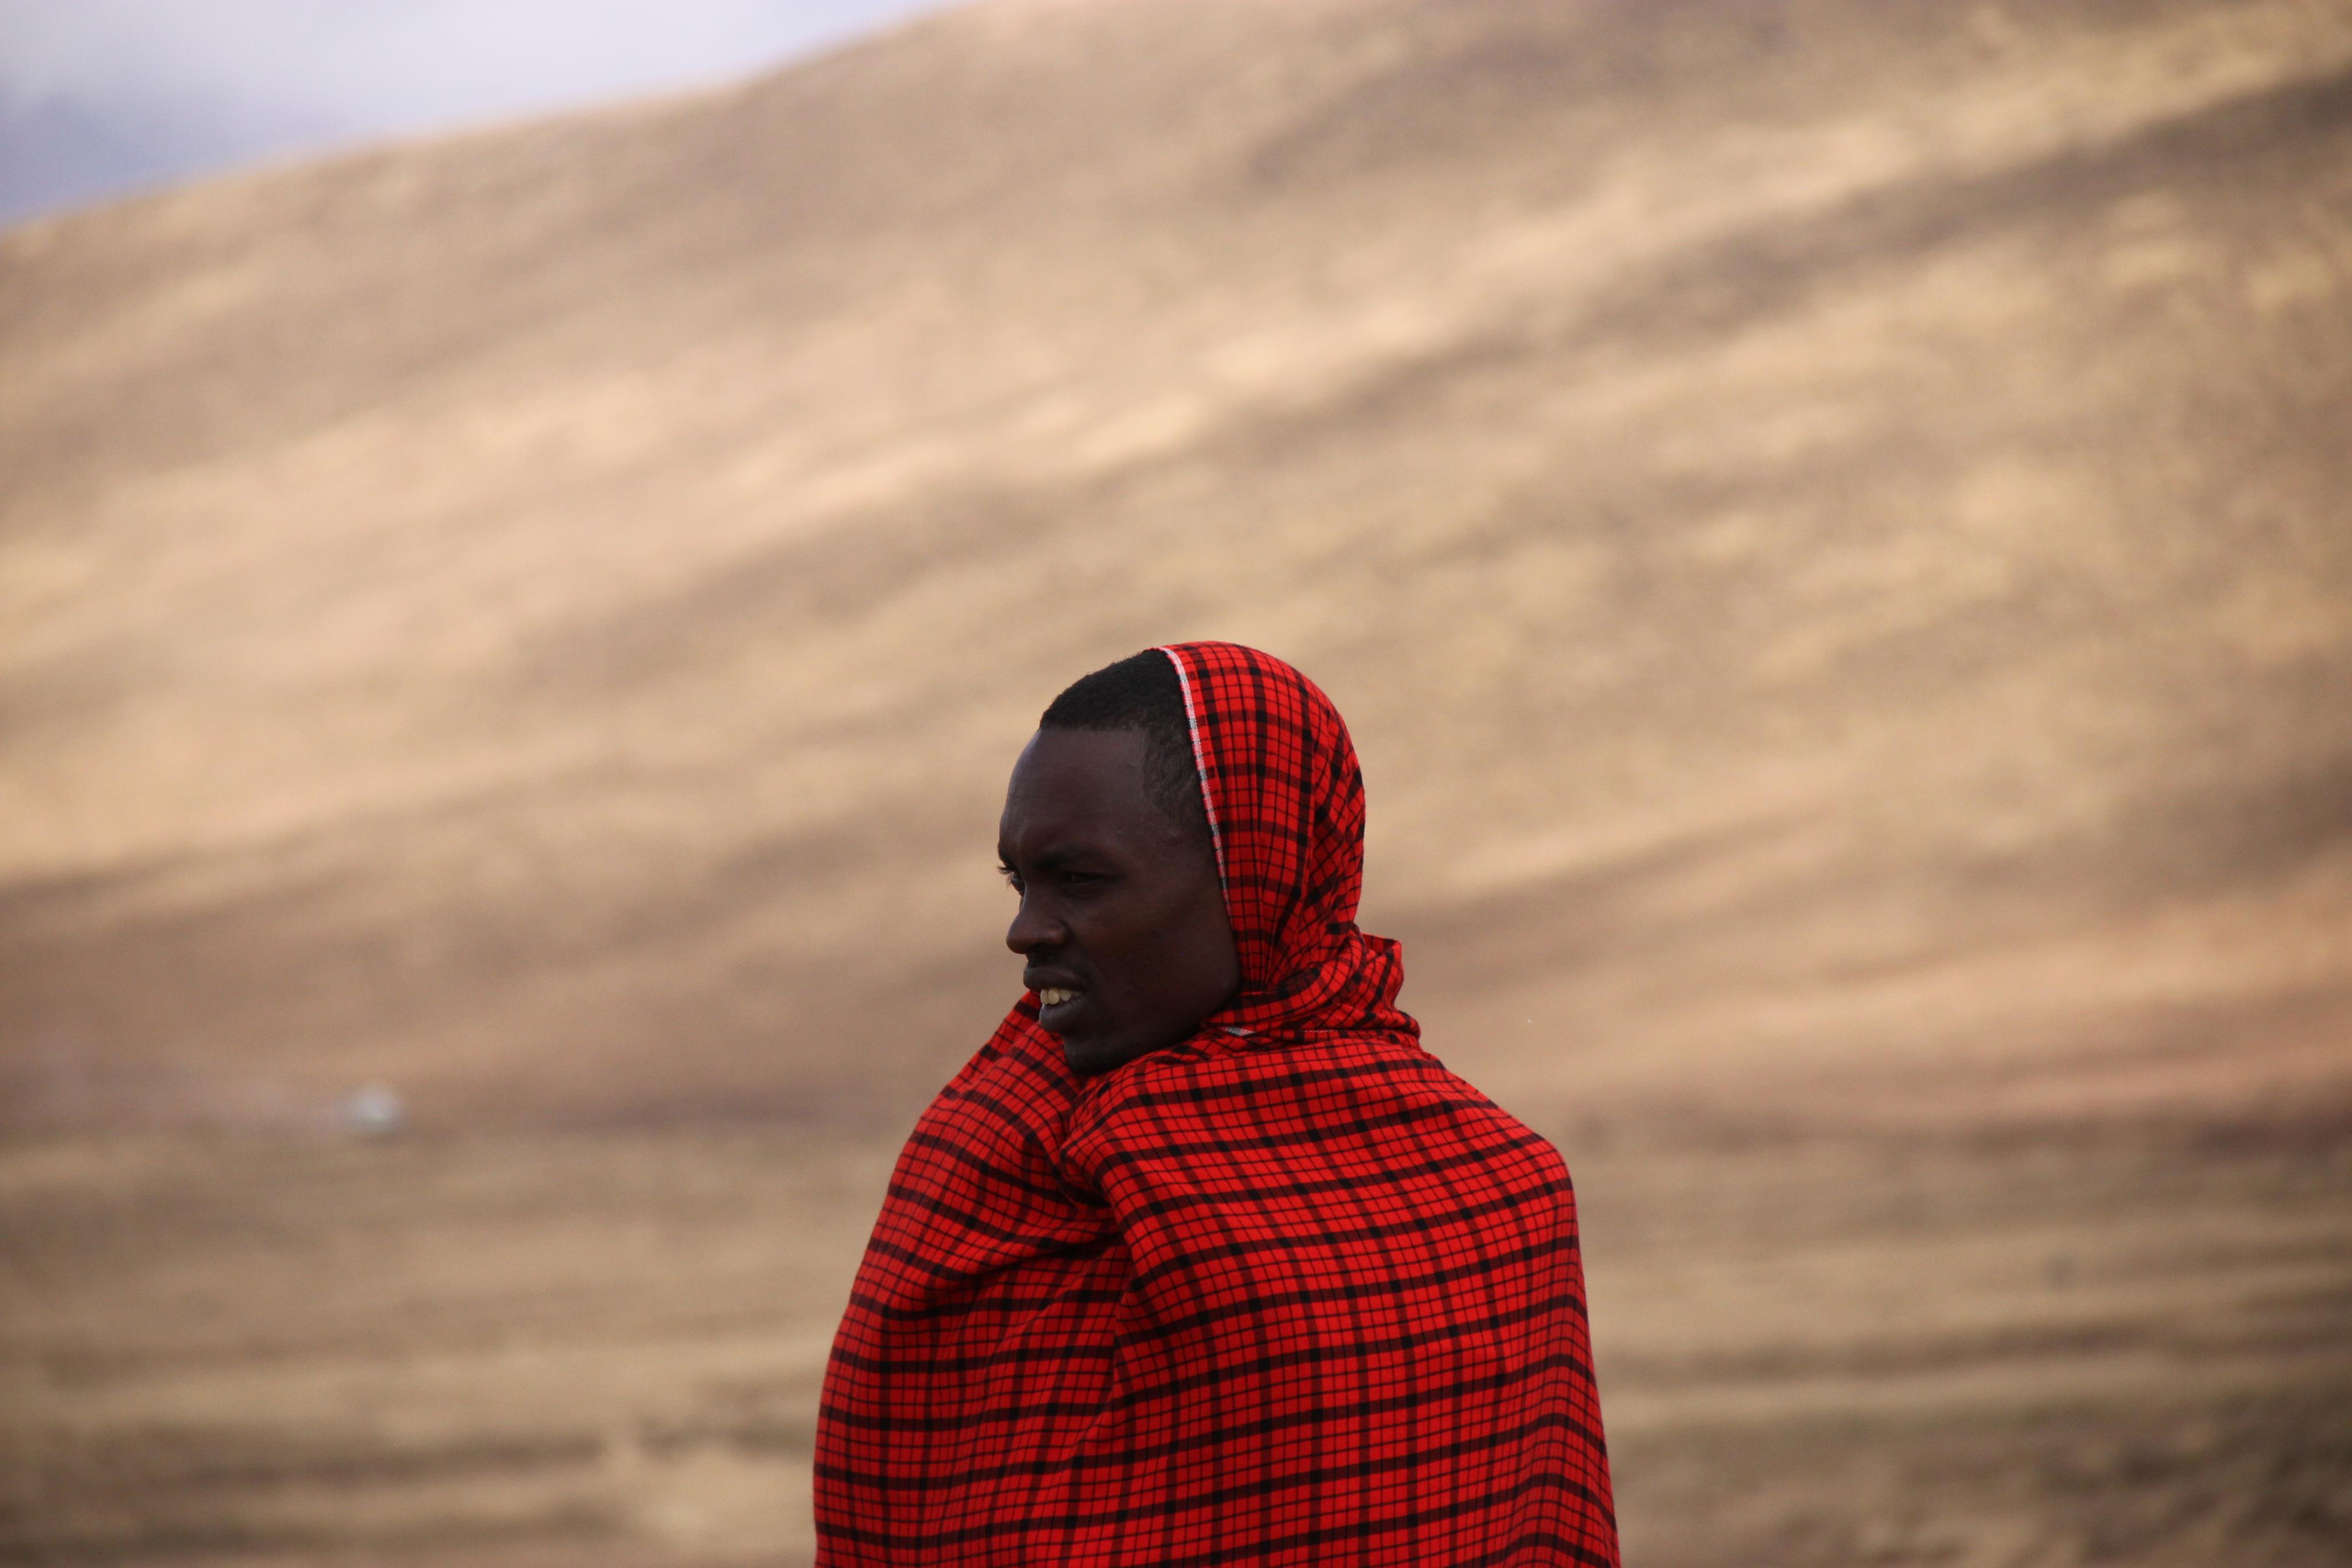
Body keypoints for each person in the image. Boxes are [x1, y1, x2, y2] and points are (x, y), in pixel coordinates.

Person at [814, 642, 1619, 1567]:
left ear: (1256, 873)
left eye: (1079, 880)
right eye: (1018, 881)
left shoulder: (1497, 1194)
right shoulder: (987, 1148)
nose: (1024, 930)